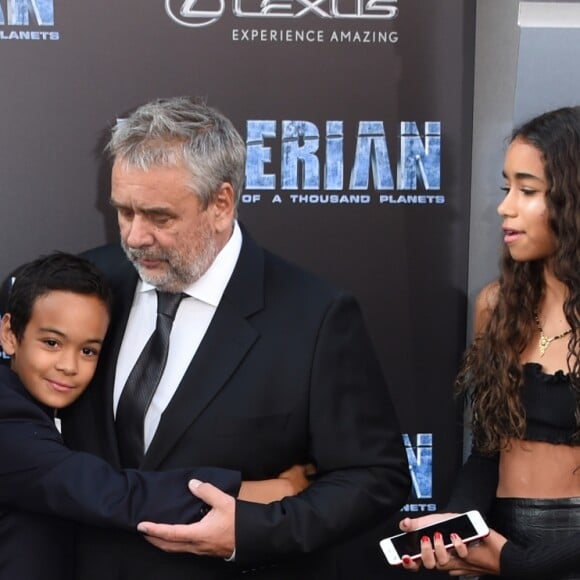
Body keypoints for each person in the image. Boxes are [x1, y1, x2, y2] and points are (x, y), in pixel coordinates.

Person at [60, 96, 411, 579]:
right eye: (124, 212)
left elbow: (375, 478)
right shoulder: (86, 283)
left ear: (221, 204)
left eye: (159, 217)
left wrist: (251, 530)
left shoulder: (314, 316)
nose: (135, 236)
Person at [0, 252, 311, 580]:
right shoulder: (7, 411)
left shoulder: (51, 405)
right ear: (9, 332)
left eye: (88, 350)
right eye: (51, 343)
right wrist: (262, 492)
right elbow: (109, 493)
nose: (69, 365)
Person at [399, 106, 580, 578]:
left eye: (528, 190)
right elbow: (487, 448)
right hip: (500, 544)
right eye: (507, 188)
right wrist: (457, 530)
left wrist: (515, 563)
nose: (505, 206)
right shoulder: (497, 306)